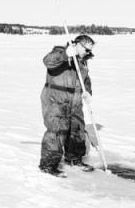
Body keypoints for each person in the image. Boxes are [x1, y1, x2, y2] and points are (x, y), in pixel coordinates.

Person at [39, 34, 95, 177]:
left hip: (75, 101)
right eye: (86, 49)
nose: (88, 53)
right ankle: (48, 165)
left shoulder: (83, 61)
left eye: (90, 50)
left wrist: (87, 92)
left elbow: (85, 79)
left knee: (77, 130)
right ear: (77, 44)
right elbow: (47, 61)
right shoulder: (60, 53)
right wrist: (65, 54)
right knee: (57, 131)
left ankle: (74, 159)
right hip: (56, 100)